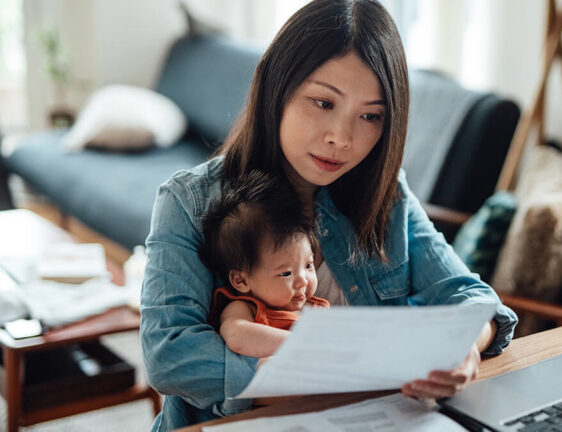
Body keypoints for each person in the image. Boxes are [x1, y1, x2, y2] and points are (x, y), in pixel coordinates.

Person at [140, 0, 518, 430]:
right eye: (323, 103)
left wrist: (467, 345)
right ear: (276, 89)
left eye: (370, 116)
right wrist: (315, 377)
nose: (342, 137)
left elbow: (471, 297)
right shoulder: (189, 201)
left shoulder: (386, 194)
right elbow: (168, 354)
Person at [198, 170, 330, 359]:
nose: (303, 280)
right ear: (241, 280)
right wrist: (305, 344)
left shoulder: (314, 308)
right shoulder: (246, 308)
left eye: (308, 265)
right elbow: (237, 336)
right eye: (286, 273)